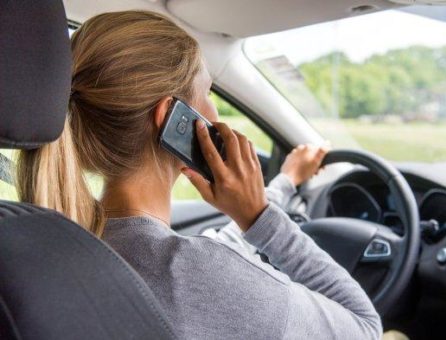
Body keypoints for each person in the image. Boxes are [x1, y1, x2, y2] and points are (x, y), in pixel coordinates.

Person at [16, 11, 382, 339]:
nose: (214, 115)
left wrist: (282, 184)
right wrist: (258, 217)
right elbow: (365, 325)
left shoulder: (63, 244)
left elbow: (215, 268)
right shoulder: (191, 272)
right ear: (171, 118)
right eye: (207, 93)